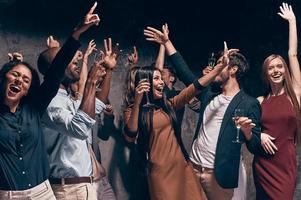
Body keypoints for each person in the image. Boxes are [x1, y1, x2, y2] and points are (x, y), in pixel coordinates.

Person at [144, 24, 266, 200]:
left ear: (233, 70)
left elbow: (255, 146)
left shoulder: (249, 103)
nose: (216, 68)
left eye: (221, 65)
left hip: (216, 175)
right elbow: (185, 73)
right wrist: (167, 42)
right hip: (193, 168)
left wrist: (247, 132)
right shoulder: (209, 93)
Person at [0, 2, 99, 199]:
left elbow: (55, 73)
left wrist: (76, 34)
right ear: (4, 77)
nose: (19, 80)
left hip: (43, 193)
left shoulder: (34, 109)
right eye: (15, 75)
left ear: (29, 89)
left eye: (26, 79)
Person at [123, 44, 238, 199]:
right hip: (160, 172)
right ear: (145, 83)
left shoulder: (168, 104)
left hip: (182, 167)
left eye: (161, 78)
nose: (162, 82)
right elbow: (130, 135)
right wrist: (137, 102)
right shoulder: (133, 110)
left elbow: (195, 87)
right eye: (156, 78)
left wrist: (219, 68)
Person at [39, 34, 117, 199]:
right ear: (56, 66)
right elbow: (80, 128)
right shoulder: (50, 102)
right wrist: (90, 82)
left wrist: (109, 71)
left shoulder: (65, 97)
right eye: (68, 58)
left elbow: (97, 105)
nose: (76, 60)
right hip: (69, 189)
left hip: (82, 185)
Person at [253, 3, 301, 199]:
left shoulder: (295, 94)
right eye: (271, 68)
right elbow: (248, 130)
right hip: (263, 166)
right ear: (266, 73)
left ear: (285, 70)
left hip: (285, 166)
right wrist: (260, 135)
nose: (276, 70)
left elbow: (292, 54)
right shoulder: (260, 100)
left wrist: (292, 21)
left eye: (279, 66)